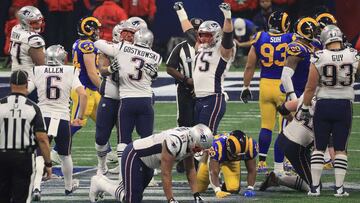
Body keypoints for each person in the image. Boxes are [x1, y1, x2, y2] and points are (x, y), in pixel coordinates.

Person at [94, 27, 162, 180]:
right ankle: (105, 166)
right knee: (144, 137)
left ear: (136, 37)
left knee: (124, 138)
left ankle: (124, 173)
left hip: (126, 99)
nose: (127, 37)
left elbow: (98, 43)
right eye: (125, 34)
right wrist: (111, 68)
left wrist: (96, 37)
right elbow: (102, 70)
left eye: (131, 34)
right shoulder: (155, 56)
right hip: (120, 97)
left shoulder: (121, 48)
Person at [301, 25, 360, 197]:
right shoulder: (353, 55)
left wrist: (304, 107)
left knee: (319, 147)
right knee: (340, 148)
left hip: (324, 105)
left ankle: (315, 188)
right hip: (344, 106)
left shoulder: (319, 56)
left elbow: (310, 87)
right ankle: (339, 189)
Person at [89, 124, 214, 202]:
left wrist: (196, 195)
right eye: (198, 147)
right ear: (192, 139)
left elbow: (191, 170)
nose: (200, 151)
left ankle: (100, 181)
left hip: (149, 163)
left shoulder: (191, 140)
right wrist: (171, 200)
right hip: (135, 155)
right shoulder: (175, 142)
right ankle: (99, 182)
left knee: (130, 195)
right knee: (132, 199)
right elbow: (166, 174)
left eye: (202, 148)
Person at [28, 45, 87, 200]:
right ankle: (68, 187)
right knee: (65, 155)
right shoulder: (70, 71)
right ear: (62, 58)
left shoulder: (38, 70)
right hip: (62, 117)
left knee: (40, 155)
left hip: (42, 117)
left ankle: (36, 187)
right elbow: (83, 94)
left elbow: (25, 90)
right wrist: (79, 116)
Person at [241, 11, 294, 173]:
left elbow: (250, 65)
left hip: (265, 85)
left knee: (266, 126)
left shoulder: (260, 37)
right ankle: (286, 160)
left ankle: (262, 162)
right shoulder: (291, 38)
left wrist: (246, 86)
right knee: (286, 127)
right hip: (283, 85)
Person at [174, 2, 236, 134]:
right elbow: (189, 32)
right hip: (199, 98)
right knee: (198, 138)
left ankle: (216, 154)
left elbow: (228, 36)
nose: (202, 38)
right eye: (201, 34)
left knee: (206, 138)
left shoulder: (222, 50)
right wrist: (181, 12)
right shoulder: (200, 46)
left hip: (213, 97)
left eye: (207, 35)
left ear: (216, 35)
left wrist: (227, 17)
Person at [274, 16, 318, 174]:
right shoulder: (297, 47)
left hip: (308, 96)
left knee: (307, 134)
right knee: (286, 134)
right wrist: (293, 98)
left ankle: (302, 165)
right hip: (297, 95)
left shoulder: (311, 47)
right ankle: (278, 168)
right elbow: (285, 76)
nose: (316, 33)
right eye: (314, 29)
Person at [0, 70, 52, 203]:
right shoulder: (33, 108)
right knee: (21, 199)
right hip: (24, 158)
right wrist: (48, 163)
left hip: (2, 157)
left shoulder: (1, 105)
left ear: (11, 84)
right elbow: (42, 138)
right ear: (26, 85)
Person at [166, 17, 203, 173]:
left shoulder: (210, 47)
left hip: (203, 92)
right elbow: (169, 67)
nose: (196, 33)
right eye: (194, 30)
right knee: (185, 125)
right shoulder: (181, 47)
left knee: (201, 126)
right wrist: (186, 79)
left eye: (199, 30)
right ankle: (182, 159)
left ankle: (199, 160)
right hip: (185, 91)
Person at [260, 95, 315, 193]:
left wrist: (293, 120)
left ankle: (275, 179)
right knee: (314, 186)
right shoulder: (327, 107)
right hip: (296, 146)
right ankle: (278, 179)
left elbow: (283, 108)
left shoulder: (307, 97)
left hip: (286, 137)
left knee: (313, 179)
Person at [197, 130, 257, 198]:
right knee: (199, 188)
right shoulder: (217, 146)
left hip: (231, 162)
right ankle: (217, 182)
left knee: (233, 188)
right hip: (213, 158)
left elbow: (252, 170)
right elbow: (213, 172)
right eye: (236, 155)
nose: (238, 157)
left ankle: (223, 185)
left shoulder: (251, 146)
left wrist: (250, 188)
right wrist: (217, 190)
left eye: (241, 155)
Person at [10, 6, 45, 75]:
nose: (39, 24)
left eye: (40, 20)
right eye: (34, 22)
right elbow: (41, 65)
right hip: (30, 78)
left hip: (14, 74)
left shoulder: (15, 28)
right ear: (24, 23)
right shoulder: (34, 39)